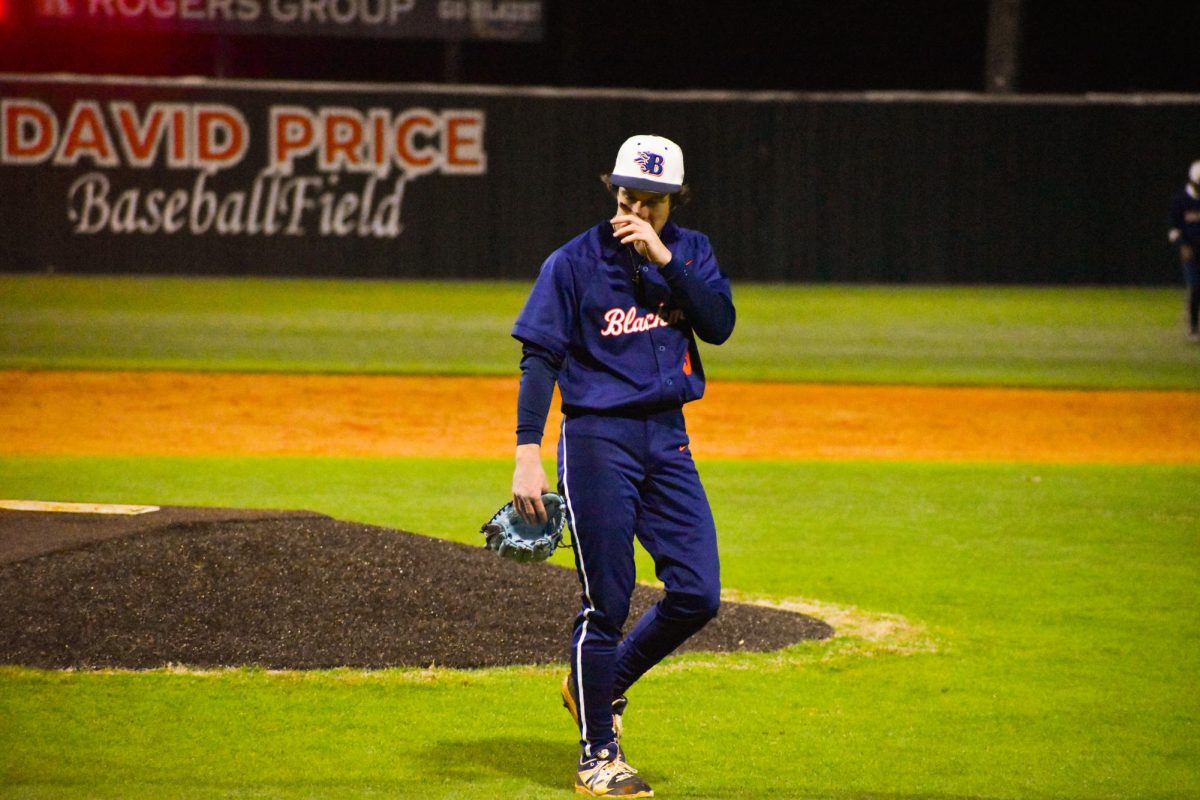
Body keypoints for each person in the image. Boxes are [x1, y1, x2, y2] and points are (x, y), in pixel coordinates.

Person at [509, 134, 735, 797]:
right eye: (628, 194)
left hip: (668, 438)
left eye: (652, 201)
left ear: (673, 203)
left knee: (698, 592)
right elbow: (539, 357)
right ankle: (598, 756)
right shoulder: (573, 263)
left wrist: (666, 259)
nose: (635, 207)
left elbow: (719, 325)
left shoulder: (690, 252)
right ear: (614, 189)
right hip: (597, 440)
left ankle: (595, 686)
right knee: (606, 600)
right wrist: (528, 452)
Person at [1167, 159, 1200, 342]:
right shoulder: (1181, 200)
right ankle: (1193, 327)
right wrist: (1183, 245)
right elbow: (1172, 229)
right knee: (1195, 288)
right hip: (1192, 253)